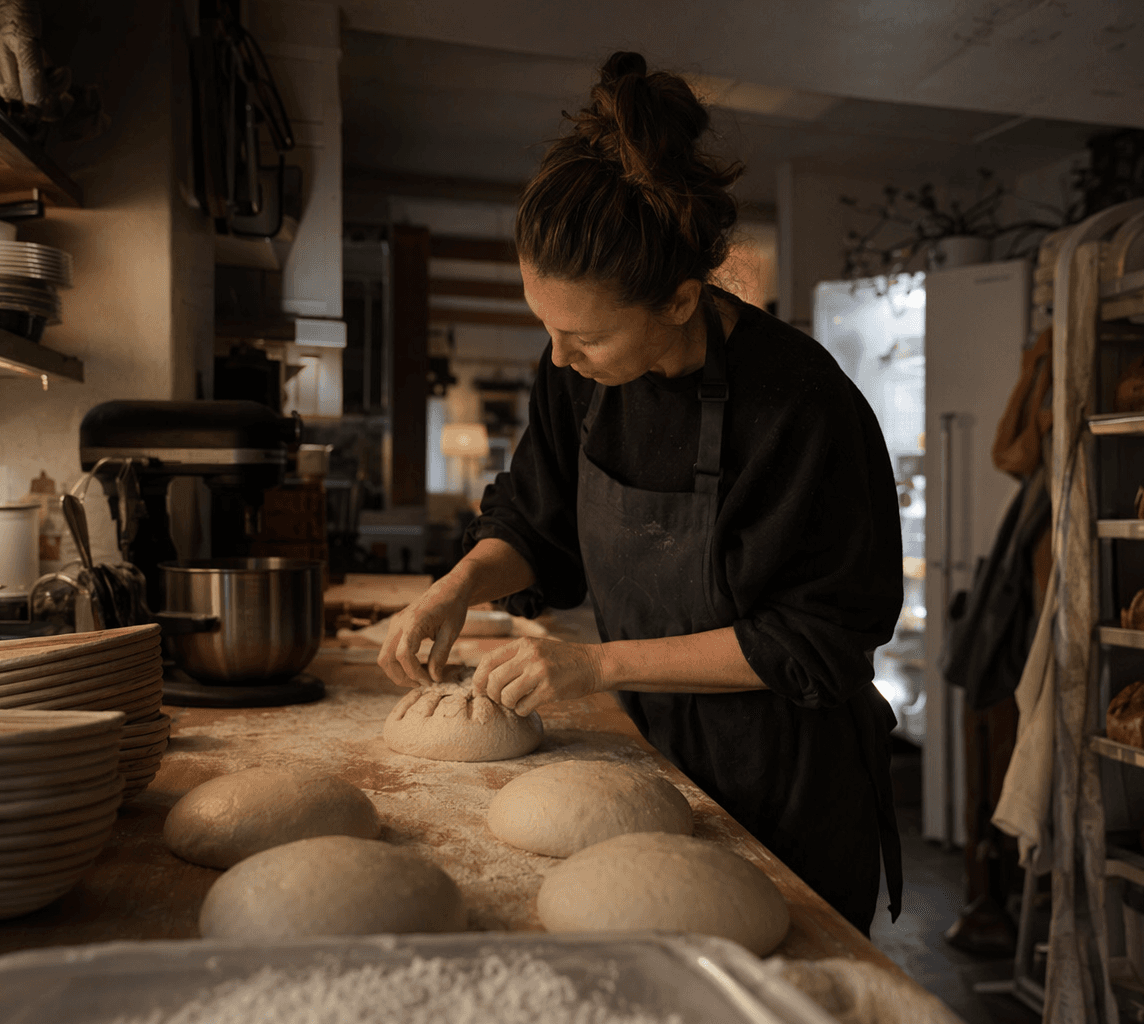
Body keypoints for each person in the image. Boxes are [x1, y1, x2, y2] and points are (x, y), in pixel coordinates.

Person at [380, 50, 904, 933]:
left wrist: (593, 665)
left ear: (679, 300)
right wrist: (458, 587)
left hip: (784, 779)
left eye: (581, 336)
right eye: (542, 326)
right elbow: (538, 528)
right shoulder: (577, 375)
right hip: (651, 754)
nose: (557, 357)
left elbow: (818, 642)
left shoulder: (799, 409)